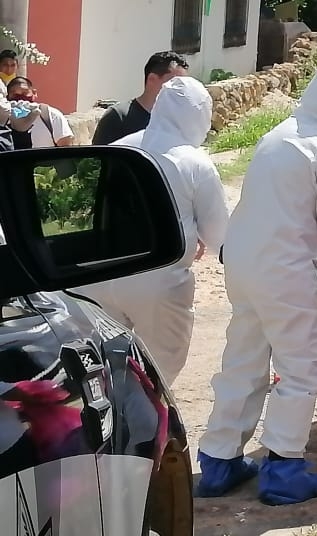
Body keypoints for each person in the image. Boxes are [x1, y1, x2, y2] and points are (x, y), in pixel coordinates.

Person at [196, 67, 317, 506]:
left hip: (243, 260)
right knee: (303, 367)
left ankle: (219, 462)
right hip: (283, 268)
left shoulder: (277, 135)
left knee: (243, 360)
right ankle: (284, 469)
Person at [72, 76, 229, 386]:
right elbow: (219, 235)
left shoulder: (118, 148)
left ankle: (111, 418)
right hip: (159, 282)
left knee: (107, 362)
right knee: (158, 369)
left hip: (101, 277)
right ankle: (143, 423)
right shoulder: (195, 161)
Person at [91, 51, 189, 145]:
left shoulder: (175, 122)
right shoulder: (118, 117)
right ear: (152, 79)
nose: (181, 90)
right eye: (175, 83)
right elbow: (95, 160)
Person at [6, 77, 74, 148]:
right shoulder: (4, 120)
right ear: (7, 97)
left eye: (25, 93)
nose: (20, 98)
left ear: (34, 93)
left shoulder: (51, 115)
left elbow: (65, 149)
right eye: (15, 95)